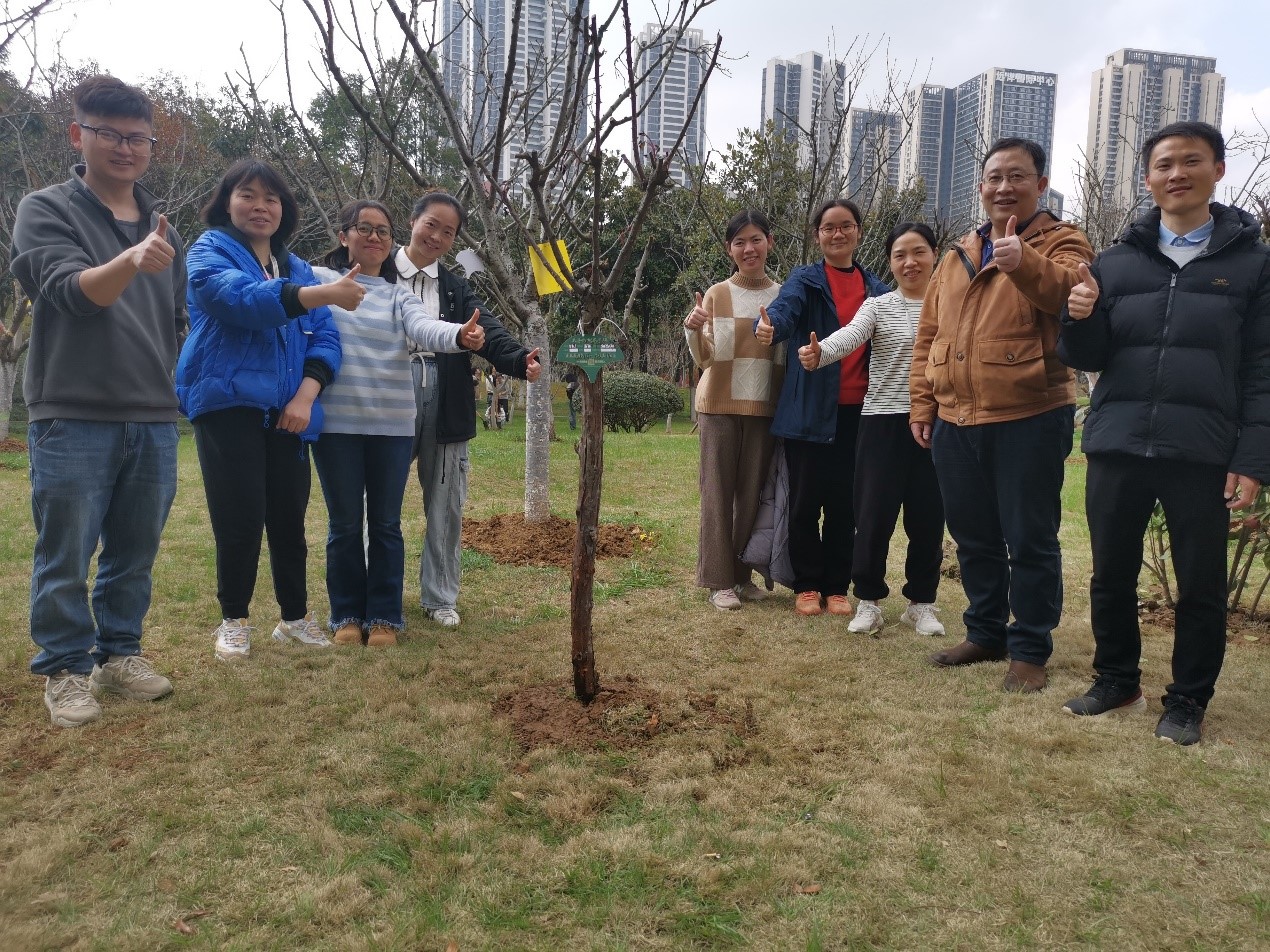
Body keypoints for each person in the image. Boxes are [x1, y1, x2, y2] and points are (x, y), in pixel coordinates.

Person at [1058, 121, 1270, 744]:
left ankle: (1187, 700)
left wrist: (1253, 458)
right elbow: (1089, 355)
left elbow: (1263, 369)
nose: (1177, 174)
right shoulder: (1116, 261)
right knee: (1110, 573)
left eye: (1191, 161)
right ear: (1148, 179)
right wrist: (1079, 316)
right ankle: (1116, 679)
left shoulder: (1254, 265)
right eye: (1164, 165)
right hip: (1119, 441)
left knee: (1200, 584)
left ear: (1217, 171)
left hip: (1202, 449)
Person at [12, 75, 183, 727]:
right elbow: (69, 293)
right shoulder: (45, 209)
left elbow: (174, 319)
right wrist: (131, 259)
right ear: (76, 134)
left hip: (152, 415)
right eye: (108, 133)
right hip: (73, 410)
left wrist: (168, 381)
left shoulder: (164, 229)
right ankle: (64, 667)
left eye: (139, 138)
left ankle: (119, 653)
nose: (125, 147)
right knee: (66, 551)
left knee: (134, 551)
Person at [910, 138, 1093, 693]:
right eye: (994, 177)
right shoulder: (957, 253)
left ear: (1041, 184)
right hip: (955, 418)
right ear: (981, 186)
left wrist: (1024, 264)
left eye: (1018, 176)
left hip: (1029, 413)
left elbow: (1075, 293)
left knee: (1030, 538)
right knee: (973, 537)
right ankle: (985, 631)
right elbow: (929, 335)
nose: (1004, 187)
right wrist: (923, 403)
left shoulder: (1063, 240)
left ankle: (1030, 648)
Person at [178, 159, 348, 662]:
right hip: (229, 403)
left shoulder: (297, 268)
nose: (260, 206)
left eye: (271, 198)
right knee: (239, 517)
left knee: (289, 518)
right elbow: (240, 300)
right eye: (247, 195)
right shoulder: (209, 250)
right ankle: (234, 620)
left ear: (284, 209)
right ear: (227, 202)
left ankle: (294, 618)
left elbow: (327, 338)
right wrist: (318, 294)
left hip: (290, 411)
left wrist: (306, 395)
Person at [311, 201, 485, 648]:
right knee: (344, 525)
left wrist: (458, 335)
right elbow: (282, 295)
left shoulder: (398, 295)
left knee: (386, 524)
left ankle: (385, 616)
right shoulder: (320, 281)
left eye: (382, 231)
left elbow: (425, 328)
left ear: (391, 241)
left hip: (391, 427)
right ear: (344, 235)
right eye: (364, 228)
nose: (374, 237)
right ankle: (347, 614)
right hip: (337, 427)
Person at [394, 192, 543, 628]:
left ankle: (440, 596)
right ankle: (376, 595)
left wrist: (518, 359)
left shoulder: (454, 287)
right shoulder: (379, 272)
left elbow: (487, 329)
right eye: (431, 224)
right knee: (377, 501)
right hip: (387, 394)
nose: (437, 236)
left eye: (449, 232)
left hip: (447, 400)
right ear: (412, 220)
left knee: (446, 502)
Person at [798, 222, 946, 637]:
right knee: (873, 517)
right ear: (890, 263)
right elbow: (850, 336)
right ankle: (868, 601)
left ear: (935, 255)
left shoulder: (952, 304)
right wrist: (820, 352)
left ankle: (921, 603)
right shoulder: (878, 306)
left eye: (918, 252)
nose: (909, 262)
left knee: (928, 519)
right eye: (900, 255)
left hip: (938, 423)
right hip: (882, 422)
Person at [755, 199, 889, 616]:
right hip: (809, 412)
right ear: (817, 236)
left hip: (859, 415)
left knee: (845, 505)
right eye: (828, 227)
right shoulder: (805, 280)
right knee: (805, 503)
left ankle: (837, 586)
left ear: (858, 232)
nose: (837, 234)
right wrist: (770, 326)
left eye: (845, 225)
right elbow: (784, 311)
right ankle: (807, 584)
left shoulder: (877, 290)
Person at [684, 209, 783, 611]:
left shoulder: (783, 295)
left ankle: (741, 576)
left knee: (752, 497)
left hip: (764, 408)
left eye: (756, 239)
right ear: (729, 249)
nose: (749, 248)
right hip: (719, 406)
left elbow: (784, 356)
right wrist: (692, 329)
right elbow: (705, 358)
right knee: (717, 494)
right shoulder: (717, 293)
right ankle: (718, 580)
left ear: (769, 242)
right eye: (740, 242)